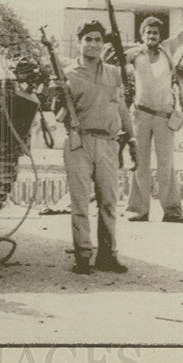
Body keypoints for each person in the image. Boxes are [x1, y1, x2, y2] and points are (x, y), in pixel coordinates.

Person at [125, 0, 183, 223]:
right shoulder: (134, 55)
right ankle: (138, 210)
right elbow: (109, 63)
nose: (152, 36)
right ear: (142, 35)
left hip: (164, 116)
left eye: (155, 33)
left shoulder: (168, 49)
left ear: (159, 35)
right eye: (148, 33)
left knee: (166, 166)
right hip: (141, 116)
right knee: (140, 165)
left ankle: (172, 211)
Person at [57, 21, 136, 275]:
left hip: (108, 143)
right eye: (88, 39)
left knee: (109, 202)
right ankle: (82, 256)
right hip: (79, 142)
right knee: (80, 202)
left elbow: (122, 107)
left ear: (103, 44)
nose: (93, 44)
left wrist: (132, 139)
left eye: (98, 40)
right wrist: (55, 95)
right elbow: (58, 113)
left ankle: (107, 255)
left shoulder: (113, 72)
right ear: (79, 42)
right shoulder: (67, 74)